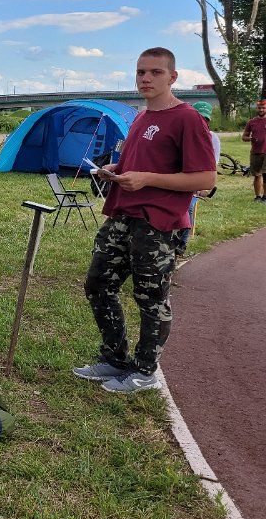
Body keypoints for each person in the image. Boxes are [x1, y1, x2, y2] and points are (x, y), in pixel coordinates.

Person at [73, 48, 216, 393]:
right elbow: (138, 162)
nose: (146, 79)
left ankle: (145, 371)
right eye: (140, 72)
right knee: (98, 284)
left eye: (155, 72)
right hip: (123, 214)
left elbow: (205, 179)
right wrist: (116, 169)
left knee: (150, 297)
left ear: (172, 77)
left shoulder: (187, 118)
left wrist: (146, 179)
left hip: (158, 221)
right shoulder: (141, 116)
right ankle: (114, 358)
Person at [173, 102, 220, 261]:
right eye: (199, 117)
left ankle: (181, 245)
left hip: (196, 180)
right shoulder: (180, 133)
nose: (202, 122)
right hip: (177, 178)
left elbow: (212, 165)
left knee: (188, 209)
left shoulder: (212, 138)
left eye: (205, 119)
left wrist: (204, 186)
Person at [241, 100, 266, 202]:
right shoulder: (251, 122)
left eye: (263, 108)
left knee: (265, 174)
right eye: (259, 108)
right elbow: (244, 137)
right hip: (255, 152)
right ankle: (258, 196)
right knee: (257, 175)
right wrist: (250, 139)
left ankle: (265, 197)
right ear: (256, 108)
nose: (261, 110)